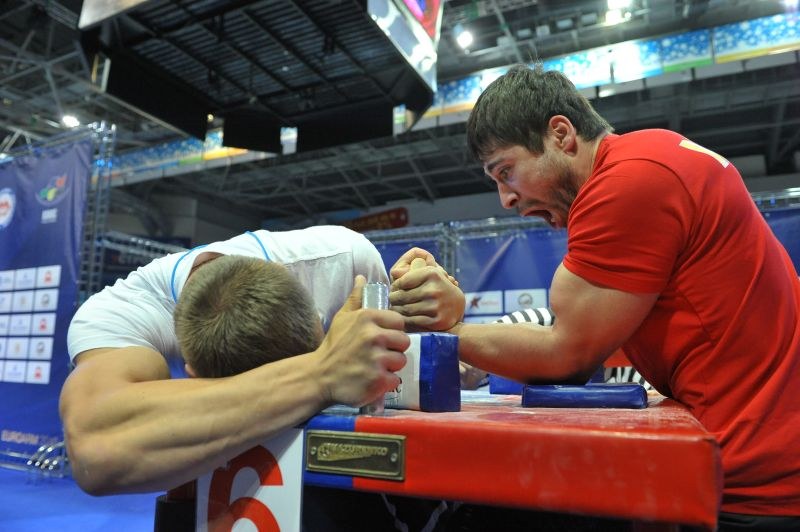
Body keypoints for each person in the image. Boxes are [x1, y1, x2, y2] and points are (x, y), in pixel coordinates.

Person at [445, 64, 800, 530]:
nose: (505, 199)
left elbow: (567, 356)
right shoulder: (652, 154)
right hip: (765, 460)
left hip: (756, 483)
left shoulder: (627, 181)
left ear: (561, 134)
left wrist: (447, 330)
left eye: (506, 171)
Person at [60, 225, 464, 497]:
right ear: (192, 372)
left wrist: (448, 313)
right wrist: (322, 370)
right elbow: (96, 447)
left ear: (318, 315)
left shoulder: (344, 260)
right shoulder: (120, 311)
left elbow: (426, 374)